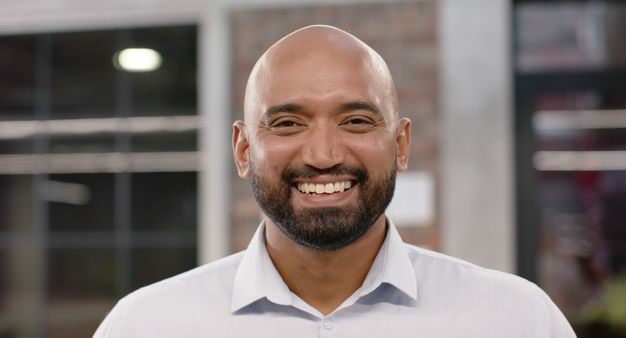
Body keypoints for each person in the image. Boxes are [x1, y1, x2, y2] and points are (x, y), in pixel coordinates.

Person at [93, 25, 576, 338]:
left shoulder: (518, 320)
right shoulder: (145, 325)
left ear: (401, 144)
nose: (323, 156)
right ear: (243, 150)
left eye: (357, 121)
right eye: (287, 123)